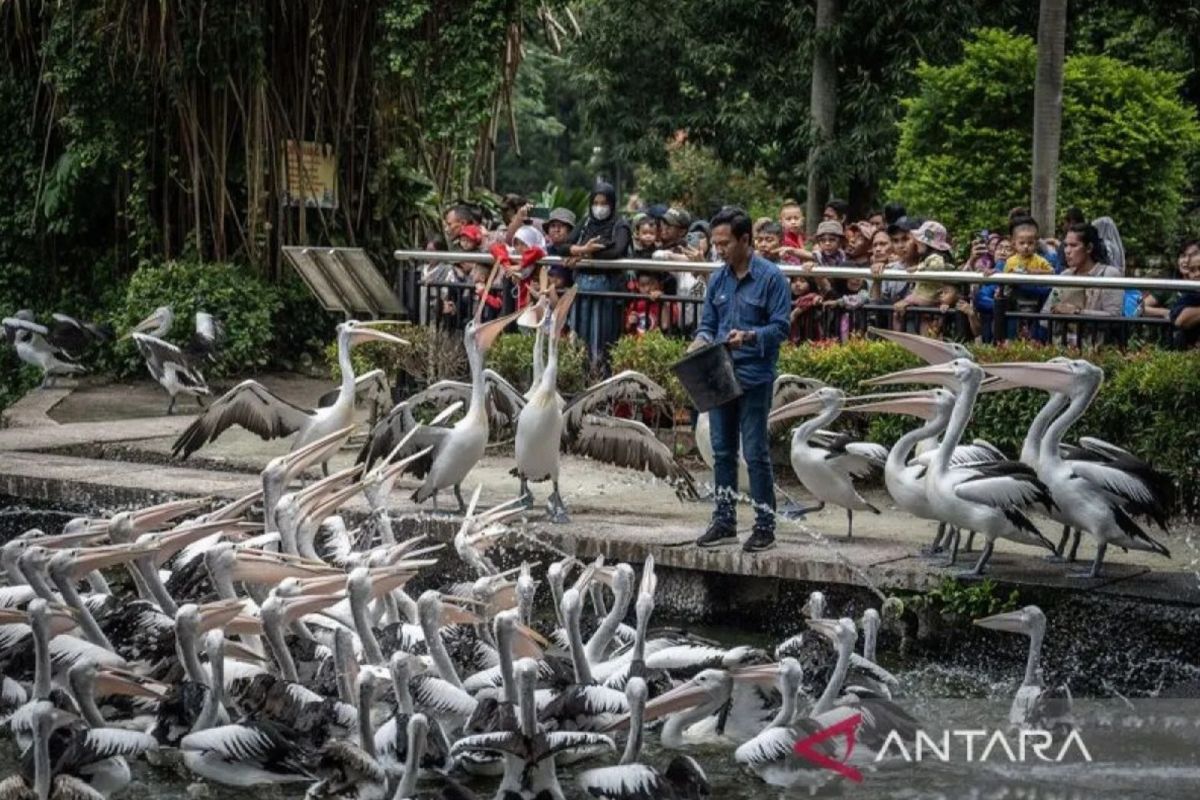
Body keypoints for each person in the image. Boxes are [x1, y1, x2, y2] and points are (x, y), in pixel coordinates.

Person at [688, 206, 791, 553]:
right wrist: (700, 340)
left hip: (754, 373)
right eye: (715, 243)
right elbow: (708, 324)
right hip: (719, 372)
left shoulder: (771, 278)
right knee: (721, 451)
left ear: (745, 239)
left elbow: (781, 328)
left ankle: (764, 526)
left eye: (724, 242)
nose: (718, 249)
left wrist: (748, 336)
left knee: (756, 451)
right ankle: (725, 520)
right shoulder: (717, 278)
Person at [567, 181, 633, 362]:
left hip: (607, 288)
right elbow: (563, 245)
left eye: (604, 203)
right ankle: (579, 372)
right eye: (596, 203)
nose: (599, 208)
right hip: (581, 286)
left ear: (612, 204)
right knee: (579, 335)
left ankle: (601, 372)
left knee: (602, 334)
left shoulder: (620, 225)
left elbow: (617, 250)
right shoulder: (586, 223)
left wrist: (588, 251)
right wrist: (579, 250)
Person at [1042, 223, 1124, 345]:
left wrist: (1077, 313)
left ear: (1089, 248)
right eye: (1066, 245)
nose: (1067, 251)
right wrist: (1057, 311)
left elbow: (1113, 318)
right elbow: (1044, 317)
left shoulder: (1108, 275)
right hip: (1061, 346)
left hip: (1095, 349)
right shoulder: (1065, 276)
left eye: (1073, 245)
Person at [892, 220, 954, 335]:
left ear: (928, 243)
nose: (917, 242)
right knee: (923, 323)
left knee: (898, 308)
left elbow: (936, 266)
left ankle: (897, 340)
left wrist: (919, 267)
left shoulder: (935, 258)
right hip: (925, 296)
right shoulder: (926, 258)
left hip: (926, 296)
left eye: (920, 241)